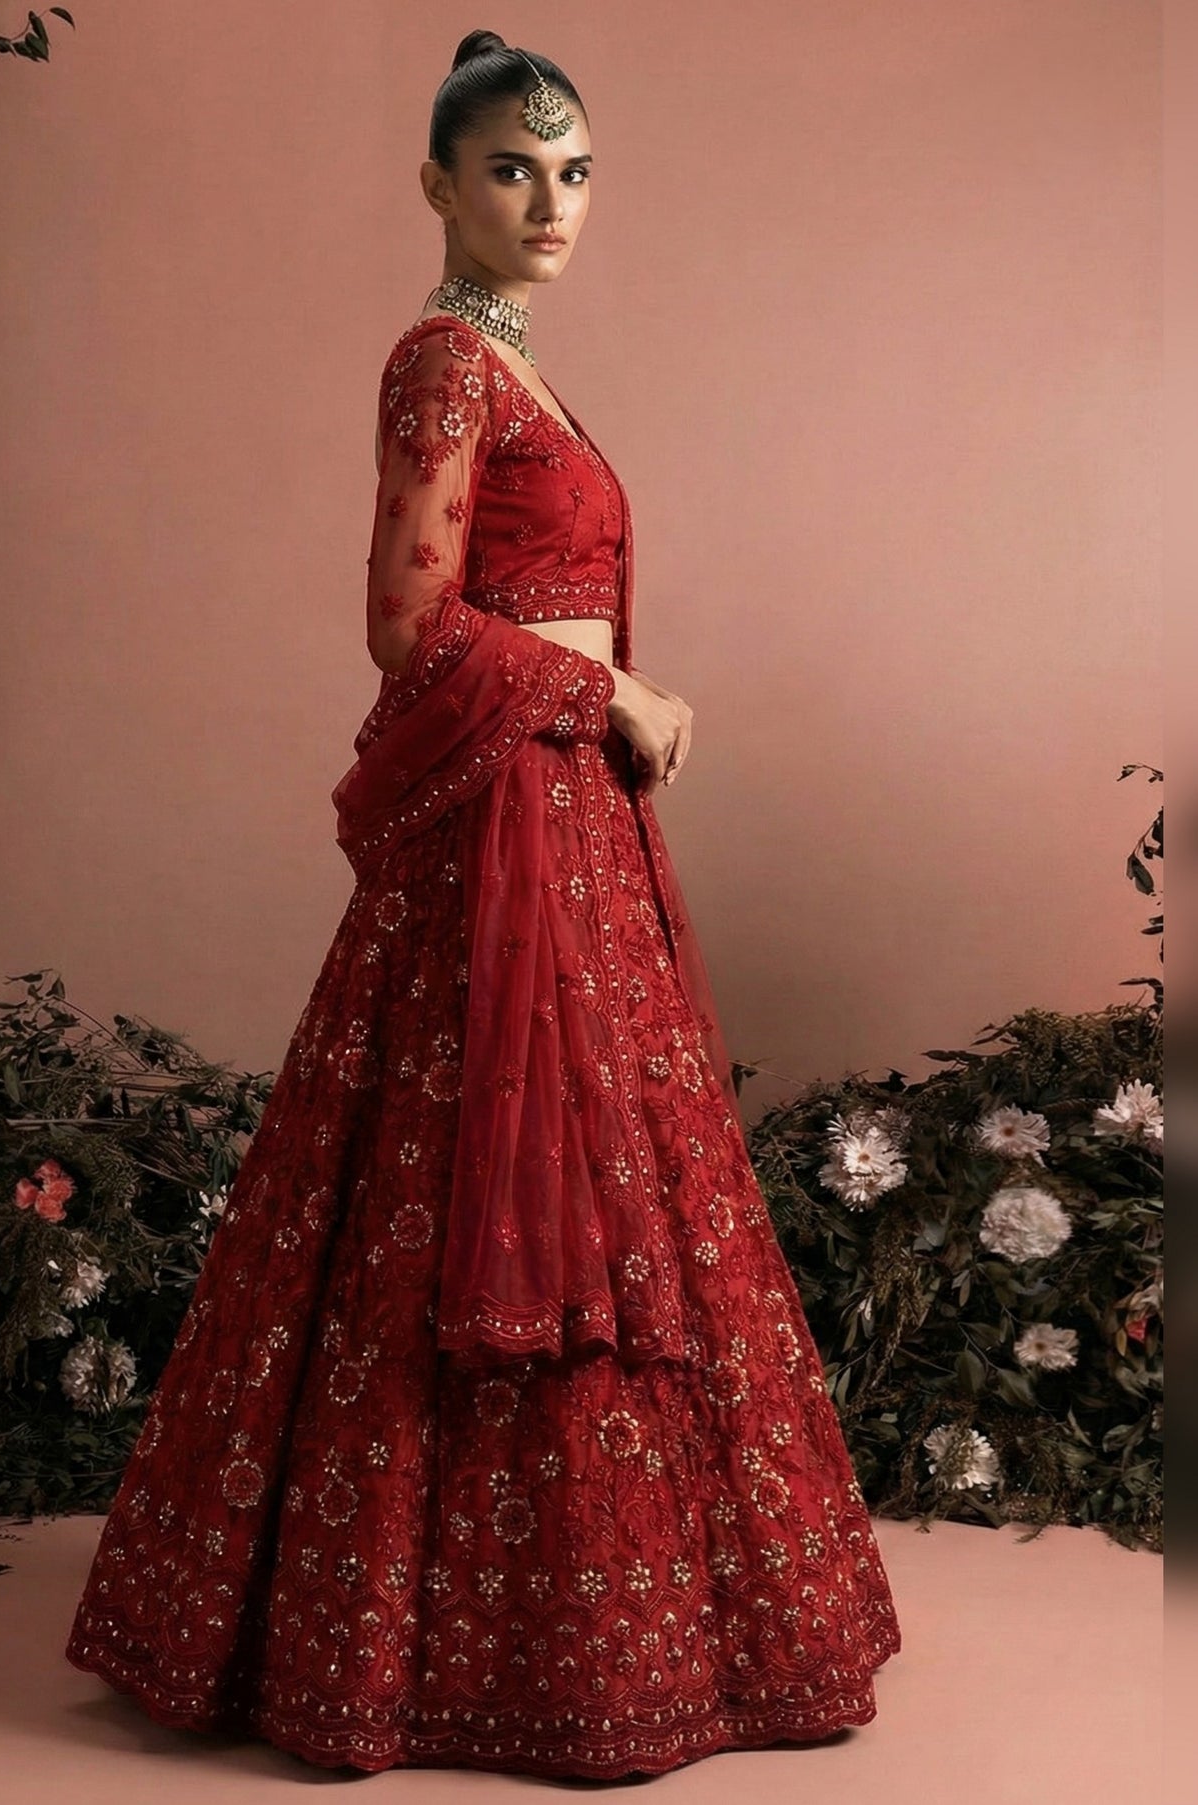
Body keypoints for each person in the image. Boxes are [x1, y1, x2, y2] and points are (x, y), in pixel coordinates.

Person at [64, 30, 901, 1780]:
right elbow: (405, 622)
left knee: (596, 1195)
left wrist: (607, 723)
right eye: (513, 167)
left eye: (577, 170)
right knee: (465, 1198)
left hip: (568, 825)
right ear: (436, 183)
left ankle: (554, 1628)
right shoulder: (441, 362)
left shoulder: (518, 373)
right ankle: (406, 1648)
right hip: (513, 819)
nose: (550, 204)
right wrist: (611, 701)